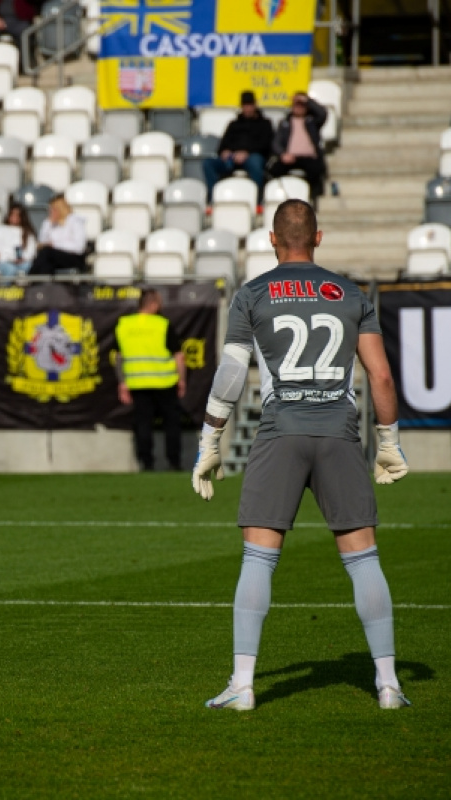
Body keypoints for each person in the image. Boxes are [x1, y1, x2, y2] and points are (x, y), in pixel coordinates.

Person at [192, 199, 411, 712]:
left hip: (279, 432)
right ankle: (388, 685)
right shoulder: (350, 293)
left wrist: (210, 440)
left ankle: (243, 685)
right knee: (364, 560)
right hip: (337, 431)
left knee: (258, 559)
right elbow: (380, 375)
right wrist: (388, 442)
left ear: (272, 239)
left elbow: (230, 376)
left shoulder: (252, 294)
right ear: (319, 237)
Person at [115, 289, 186, 471]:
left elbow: (118, 357)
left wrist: (122, 382)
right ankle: (174, 462)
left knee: (143, 424)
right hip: (165, 382)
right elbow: (179, 356)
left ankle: (146, 464)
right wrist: (182, 380)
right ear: (153, 304)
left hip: (137, 383)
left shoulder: (124, 324)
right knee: (171, 423)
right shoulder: (162, 324)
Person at [202, 90, 274, 209]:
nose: (247, 108)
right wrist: (225, 152)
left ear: (255, 105)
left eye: (250, 105)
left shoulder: (265, 124)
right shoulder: (233, 124)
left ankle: (257, 200)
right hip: (232, 159)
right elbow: (221, 146)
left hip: (253, 157)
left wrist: (247, 153)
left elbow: (266, 145)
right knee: (208, 163)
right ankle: (214, 198)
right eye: (245, 105)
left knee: (255, 162)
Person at [268, 91, 328, 202]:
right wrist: (282, 154)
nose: (298, 108)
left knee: (316, 170)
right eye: (296, 104)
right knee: (273, 170)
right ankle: (278, 198)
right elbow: (276, 143)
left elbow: (323, 113)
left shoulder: (312, 121)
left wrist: (307, 100)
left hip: (309, 157)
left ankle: (313, 199)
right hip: (290, 156)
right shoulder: (285, 123)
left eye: (301, 105)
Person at [28, 195, 87, 276]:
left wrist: (55, 245)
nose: (50, 212)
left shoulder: (75, 222)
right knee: (45, 261)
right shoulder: (49, 223)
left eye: (53, 209)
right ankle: (40, 285)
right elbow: (42, 241)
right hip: (53, 256)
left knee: (46, 253)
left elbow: (79, 247)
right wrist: (48, 225)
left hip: (73, 257)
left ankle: (29, 279)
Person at [0, 203, 36, 276]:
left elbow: (31, 252)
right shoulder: (0, 230)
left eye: (18, 215)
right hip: (3, 262)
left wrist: (22, 259)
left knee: (30, 267)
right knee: (11, 270)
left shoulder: (28, 232)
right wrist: (9, 258)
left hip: (22, 262)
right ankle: (5, 287)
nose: (15, 217)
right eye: (13, 214)